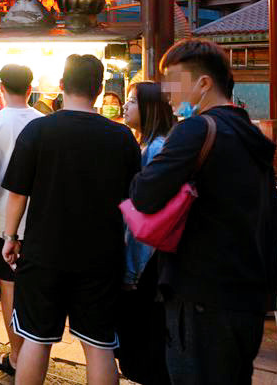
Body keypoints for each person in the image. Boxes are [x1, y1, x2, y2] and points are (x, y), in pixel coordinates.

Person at [130, 39, 277, 385]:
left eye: (173, 79)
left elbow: (145, 194)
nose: (166, 90)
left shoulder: (196, 129)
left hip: (199, 294)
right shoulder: (251, 135)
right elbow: (276, 218)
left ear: (203, 83)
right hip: (247, 297)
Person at [2, 54, 140, 385]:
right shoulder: (122, 138)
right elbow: (133, 200)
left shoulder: (38, 130)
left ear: (62, 85)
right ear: (100, 88)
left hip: (44, 251)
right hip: (101, 255)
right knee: (99, 345)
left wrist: (10, 237)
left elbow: (18, 193)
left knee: (36, 338)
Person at [0, 64, 42, 376]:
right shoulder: (44, 123)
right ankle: (34, 351)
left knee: (10, 287)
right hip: (37, 221)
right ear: (31, 89)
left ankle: (16, 355)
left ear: (0, 87)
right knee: (33, 288)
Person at [116, 82, 174, 385]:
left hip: (148, 257)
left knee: (147, 338)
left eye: (132, 102)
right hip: (149, 256)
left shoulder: (156, 148)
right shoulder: (150, 144)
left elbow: (148, 215)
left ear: (149, 108)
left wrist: (132, 271)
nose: (126, 107)